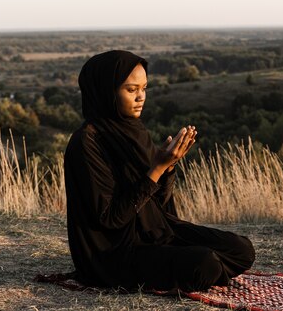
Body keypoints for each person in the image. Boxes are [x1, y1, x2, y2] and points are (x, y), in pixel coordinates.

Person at [64, 50, 255, 293]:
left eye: (144, 88)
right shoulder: (86, 143)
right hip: (114, 253)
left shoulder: (134, 132)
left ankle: (191, 266)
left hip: (155, 232)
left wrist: (169, 168)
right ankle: (196, 268)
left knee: (241, 249)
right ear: (105, 91)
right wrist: (157, 168)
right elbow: (110, 218)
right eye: (131, 90)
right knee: (204, 263)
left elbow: (159, 205)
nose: (140, 97)